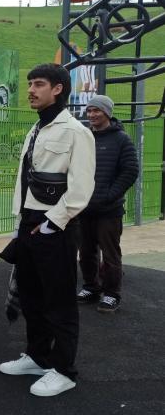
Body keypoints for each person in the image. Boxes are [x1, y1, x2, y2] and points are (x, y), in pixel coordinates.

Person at [0, 63, 95, 397]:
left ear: (58, 89)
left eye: (38, 84)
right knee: (32, 296)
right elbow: (22, 181)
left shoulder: (76, 132)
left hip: (55, 227)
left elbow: (81, 187)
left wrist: (52, 224)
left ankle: (64, 369)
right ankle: (38, 357)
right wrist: (17, 225)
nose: (30, 90)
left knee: (60, 301)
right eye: (29, 84)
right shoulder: (36, 130)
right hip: (28, 223)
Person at [76, 95, 138, 312]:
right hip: (84, 208)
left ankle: (112, 293)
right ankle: (91, 287)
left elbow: (130, 170)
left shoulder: (121, 139)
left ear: (107, 113)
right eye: (89, 110)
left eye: (97, 110)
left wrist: (109, 195)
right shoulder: (84, 137)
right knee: (86, 252)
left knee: (110, 254)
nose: (92, 115)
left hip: (109, 210)